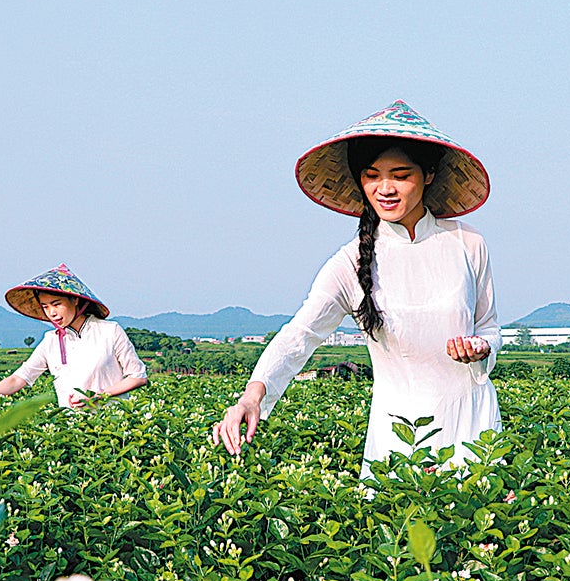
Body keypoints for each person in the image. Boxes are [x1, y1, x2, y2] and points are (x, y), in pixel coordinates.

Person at [211, 100, 500, 467]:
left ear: (428, 174)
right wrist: (252, 396)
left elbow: (489, 326)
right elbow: (299, 335)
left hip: (472, 425)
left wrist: (480, 347)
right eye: (371, 175)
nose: (385, 188)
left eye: (400, 174)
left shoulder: (467, 243)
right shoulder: (350, 262)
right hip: (399, 434)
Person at [0, 265, 147, 415]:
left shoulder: (109, 331)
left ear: (75, 300)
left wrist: (97, 397)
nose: (52, 313)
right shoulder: (50, 341)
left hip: (110, 427)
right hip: (69, 432)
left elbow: (137, 377)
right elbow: (19, 378)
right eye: (46, 307)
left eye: (57, 304)